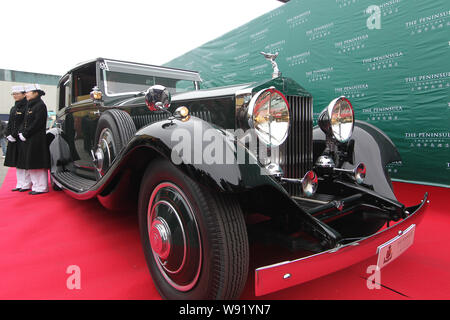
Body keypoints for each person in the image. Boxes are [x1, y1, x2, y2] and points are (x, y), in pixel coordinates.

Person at [17, 84, 50, 195]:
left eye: (28, 92)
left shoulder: (40, 105)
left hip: (36, 138)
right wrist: (21, 132)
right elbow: (24, 121)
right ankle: (35, 185)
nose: (26, 94)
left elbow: (37, 123)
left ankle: (42, 186)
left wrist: (26, 133)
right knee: (31, 162)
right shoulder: (30, 106)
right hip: (29, 138)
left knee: (37, 162)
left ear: (36, 93)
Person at [4, 85, 32, 191]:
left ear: (24, 94)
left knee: (23, 161)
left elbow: (24, 123)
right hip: (13, 138)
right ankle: (20, 183)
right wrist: (8, 134)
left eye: (17, 94)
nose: (15, 96)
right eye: (13, 94)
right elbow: (11, 123)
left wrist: (15, 134)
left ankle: (26, 183)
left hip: (22, 137)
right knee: (16, 162)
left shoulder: (27, 106)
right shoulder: (14, 108)